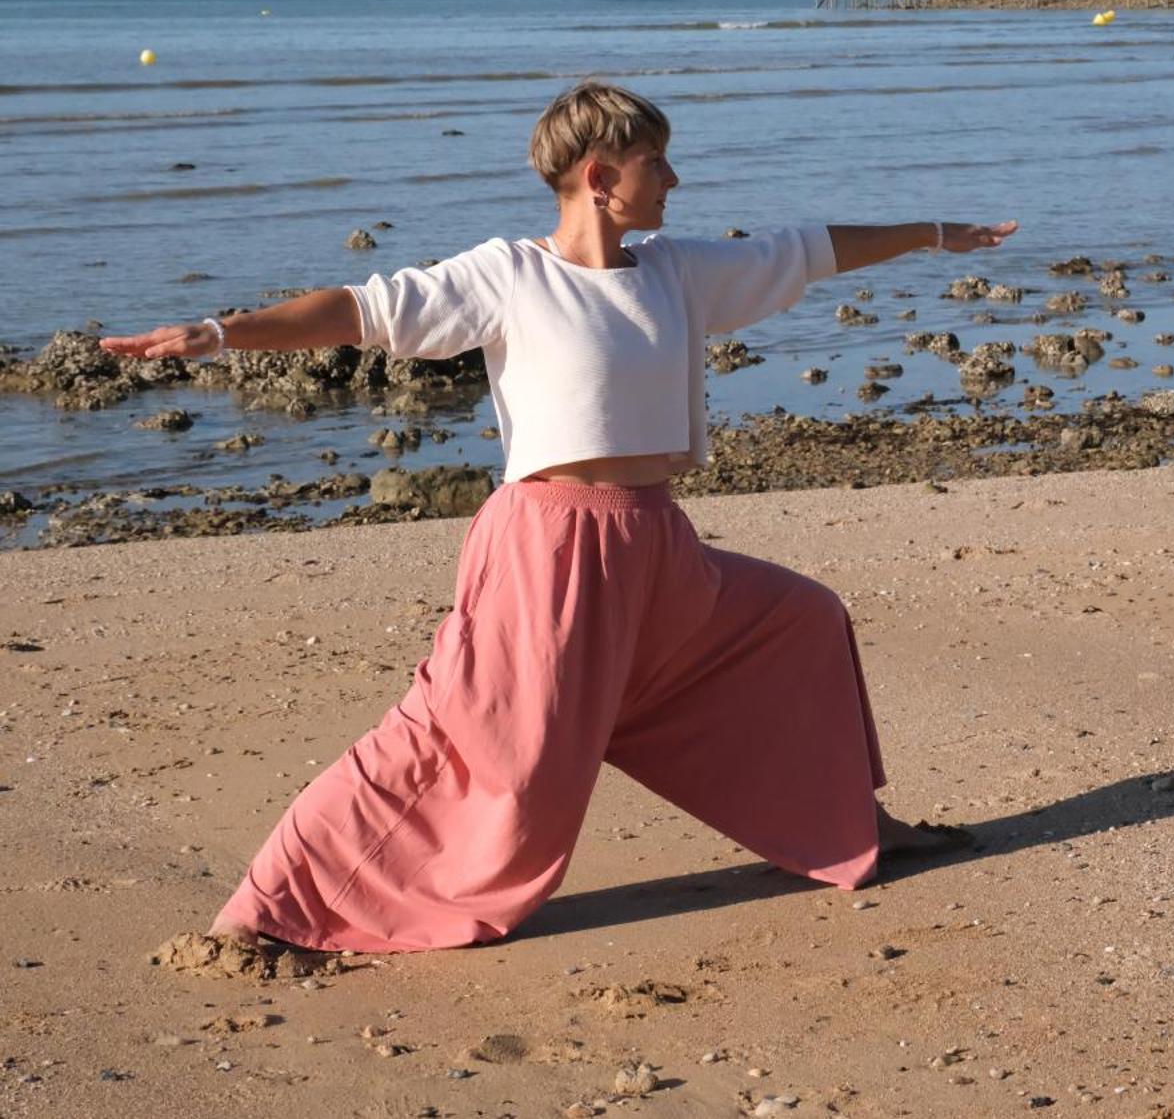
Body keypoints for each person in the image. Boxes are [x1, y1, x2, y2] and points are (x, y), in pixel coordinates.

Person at [99, 80, 1018, 953]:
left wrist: (935, 233)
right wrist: (220, 333)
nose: (674, 181)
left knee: (800, 621)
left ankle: (856, 824)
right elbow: (359, 311)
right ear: (600, 176)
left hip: (659, 549)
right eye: (657, 162)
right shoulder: (507, 276)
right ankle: (277, 901)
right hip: (549, 550)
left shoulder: (678, 271)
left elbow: (808, 249)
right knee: (472, 743)